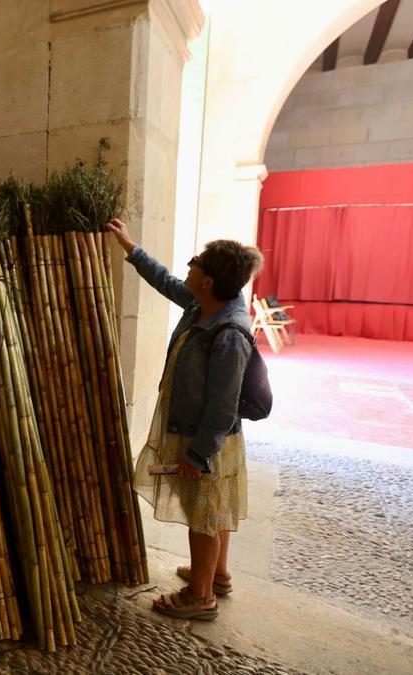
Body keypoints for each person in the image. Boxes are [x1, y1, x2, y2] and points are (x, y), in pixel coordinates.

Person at [104, 218, 263, 621]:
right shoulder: (204, 305)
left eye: (196, 262)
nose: (189, 268)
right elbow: (169, 283)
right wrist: (130, 248)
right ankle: (217, 574)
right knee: (216, 510)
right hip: (205, 437)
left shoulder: (228, 332)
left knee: (203, 518)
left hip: (209, 440)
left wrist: (197, 454)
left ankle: (200, 596)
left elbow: (223, 406)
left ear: (208, 280)